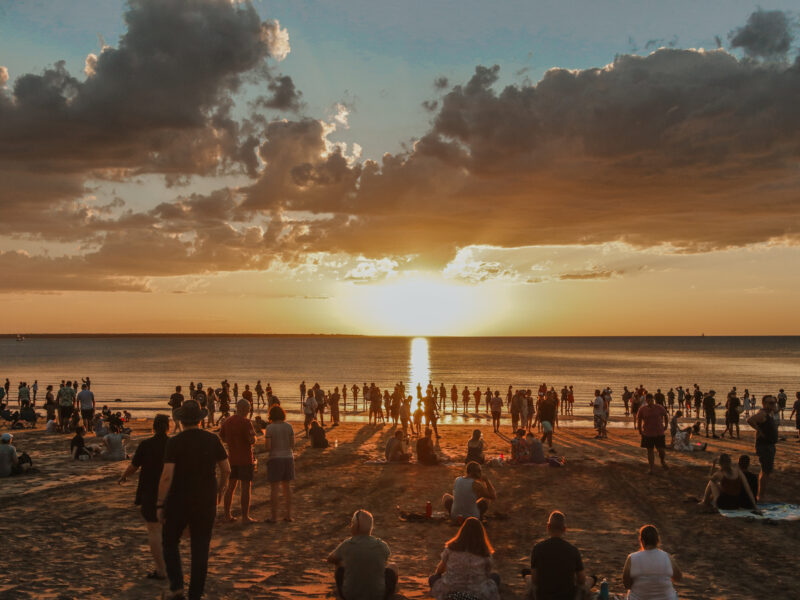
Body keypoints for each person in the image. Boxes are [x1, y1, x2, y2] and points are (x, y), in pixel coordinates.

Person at [156, 400, 230, 600]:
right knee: (200, 547)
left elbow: (166, 476)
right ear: (200, 419)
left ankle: (177, 586)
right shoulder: (211, 439)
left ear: (181, 420)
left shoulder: (175, 442)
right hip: (206, 499)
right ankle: (195, 594)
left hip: (178, 499)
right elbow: (226, 468)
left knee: (169, 542)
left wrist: (160, 503)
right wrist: (221, 490)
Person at [118, 414, 170, 580]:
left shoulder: (146, 444)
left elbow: (134, 466)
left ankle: (161, 570)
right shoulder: (173, 444)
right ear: (168, 427)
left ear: (154, 427)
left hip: (150, 491)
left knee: (154, 529)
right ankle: (169, 566)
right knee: (168, 531)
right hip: (171, 492)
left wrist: (124, 476)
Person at [327, 509, 398, 600]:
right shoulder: (382, 545)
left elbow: (330, 559)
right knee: (393, 566)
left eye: (352, 523)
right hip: (378, 596)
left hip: (350, 596)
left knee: (339, 564)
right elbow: (385, 558)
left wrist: (344, 562)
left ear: (356, 526)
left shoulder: (347, 544)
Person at [429, 517, 500, 600]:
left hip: (450, 591)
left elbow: (440, 569)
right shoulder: (484, 553)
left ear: (462, 532)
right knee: (495, 577)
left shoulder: (451, 549)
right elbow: (487, 575)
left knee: (433, 578)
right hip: (477, 593)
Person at [526, 511, 585, 600]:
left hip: (544, 597)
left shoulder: (537, 549)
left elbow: (534, 579)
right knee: (589, 581)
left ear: (548, 527)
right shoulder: (573, 550)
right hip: (567, 597)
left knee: (528, 579)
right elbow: (581, 580)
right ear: (564, 529)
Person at [219, 398, 258, 524]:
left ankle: (227, 515)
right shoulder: (246, 422)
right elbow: (251, 440)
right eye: (249, 408)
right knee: (246, 487)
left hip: (232, 458)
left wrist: (231, 442)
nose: (249, 410)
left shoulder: (227, 421)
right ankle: (245, 517)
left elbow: (222, 437)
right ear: (244, 409)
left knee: (230, 487)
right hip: (245, 458)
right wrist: (253, 438)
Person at [622, 525, 682, 600]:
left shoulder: (632, 558)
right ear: (657, 541)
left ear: (642, 541)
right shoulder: (667, 557)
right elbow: (678, 577)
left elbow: (627, 585)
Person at [264, 404, 294, 523]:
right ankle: (288, 515)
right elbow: (292, 445)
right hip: (288, 457)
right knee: (287, 488)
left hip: (275, 458)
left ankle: (274, 517)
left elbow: (268, 447)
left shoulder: (270, 428)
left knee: (274, 489)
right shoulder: (289, 427)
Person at [747, 395, 779, 502]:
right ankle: (761, 496)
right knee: (766, 471)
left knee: (766, 471)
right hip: (765, 446)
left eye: (774, 402)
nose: (773, 404)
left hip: (769, 445)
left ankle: (760, 495)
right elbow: (750, 420)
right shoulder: (763, 414)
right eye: (770, 403)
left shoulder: (770, 413)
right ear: (764, 404)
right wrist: (759, 430)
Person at [637, 393, 668, 474]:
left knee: (661, 450)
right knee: (650, 451)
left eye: (651, 399)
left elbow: (665, 415)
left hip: (659, 432)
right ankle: (651, 468)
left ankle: (662, 461)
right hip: (647, 433)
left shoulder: (659, 407)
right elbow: (639, 419)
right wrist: (640, 430)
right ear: (646, 400)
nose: (650, 401)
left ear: (653, 400)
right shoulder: (642, 409)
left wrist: (666, 425)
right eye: (648, 400)